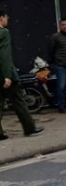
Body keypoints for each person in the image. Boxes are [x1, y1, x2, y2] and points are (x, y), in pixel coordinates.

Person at [0, 10, 44, 140]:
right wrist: (7, 75)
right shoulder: (4, 33)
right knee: (19, 100)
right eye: (6, 17)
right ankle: (29, 127)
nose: (7, 19)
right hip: (6, 74)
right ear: (1, 18)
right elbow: (4, 55)